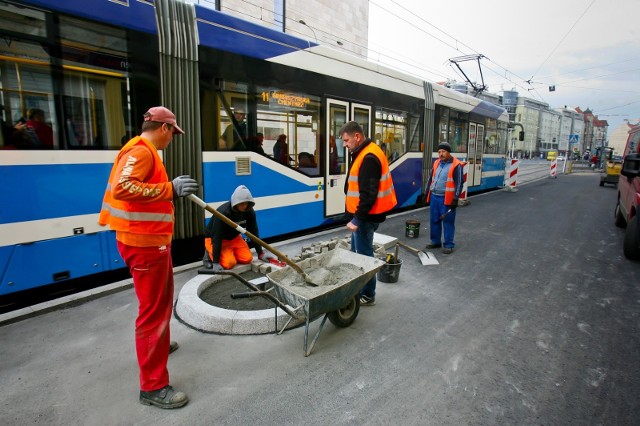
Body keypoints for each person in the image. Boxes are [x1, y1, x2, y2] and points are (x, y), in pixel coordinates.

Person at [98, 106, 198, 409]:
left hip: (151, 241)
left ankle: (159, 345)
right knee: (152, 312)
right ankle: (153, 387)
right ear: (165, 128)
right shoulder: (141, 151)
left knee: (161, 300)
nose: (172, 139)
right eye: (173, 133)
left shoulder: (145, 151)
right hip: (143, 244)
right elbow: (123, 188)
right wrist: (170, 189)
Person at [341, 121, 397, 307]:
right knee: (356, 253)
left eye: (346, 140)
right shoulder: (364, 151)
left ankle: (368, 294)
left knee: (364, 257)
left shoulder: (369, 157)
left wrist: (357, 218)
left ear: (357, 136)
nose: (344, 144)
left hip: (365, 218)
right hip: (363, 216)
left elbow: (368, 194)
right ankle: (361, 289)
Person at [203, 185, 274, 271]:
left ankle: (229, 253)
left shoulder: (249, 212)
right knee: (229, 263)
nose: (245, 206)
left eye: (246, 203)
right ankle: (208, 254)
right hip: (215, 239)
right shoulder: (224, 213)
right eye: (242, 203)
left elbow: (253, 232)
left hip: (234, 237)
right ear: (235, 202)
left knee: (247, 258)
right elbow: (217, 236)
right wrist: (216, 262)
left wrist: (260, 253)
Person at [425, 142, 463, 255]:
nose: (441, 154)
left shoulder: (456, 165)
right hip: (434, 196)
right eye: (439, 152)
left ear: (448, 152)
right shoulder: (437, 162)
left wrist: (456, 198)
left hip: (447, 199)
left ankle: (449, 245)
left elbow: (460, 182)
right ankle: (435, 241)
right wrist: (426, 192)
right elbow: (430, 178)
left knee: (448, 221)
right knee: (434, 220)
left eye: (443, 152)